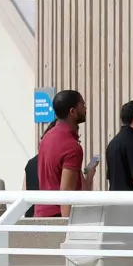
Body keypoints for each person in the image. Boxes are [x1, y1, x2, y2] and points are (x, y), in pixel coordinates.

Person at [34, 89, 94, 217]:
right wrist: (67, 228)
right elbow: (66, 193)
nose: (85, 108)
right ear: (72, 111)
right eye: (82, 105)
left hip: (41, 212)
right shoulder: (72, 147)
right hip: (58, 215)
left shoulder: (46, 138)